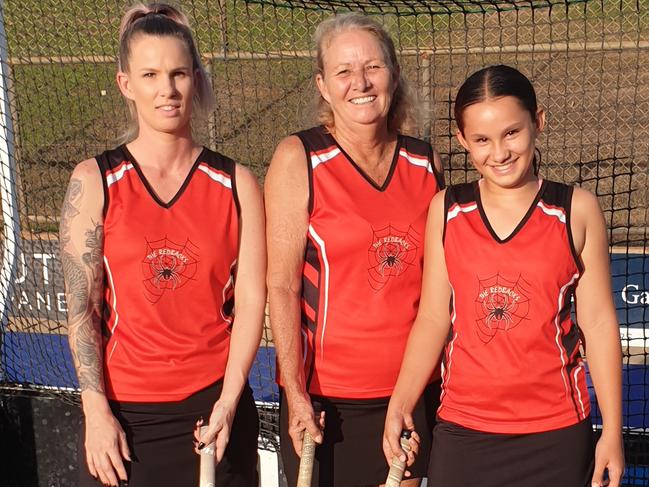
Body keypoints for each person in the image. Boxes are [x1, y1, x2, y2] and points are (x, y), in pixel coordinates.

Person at [383, 64, 625, 487]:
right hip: (464, 432)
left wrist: (612, 434)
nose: (499, 152)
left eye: (512, 133)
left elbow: (600, 324)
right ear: (462, 141)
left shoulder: (577, 210)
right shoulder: (447, 209)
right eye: (481, 140)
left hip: (557, 434)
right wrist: (400, 400)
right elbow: (433, 318)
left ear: (538, 122)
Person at [59, 3, 265, 486]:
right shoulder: (94, 180)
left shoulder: (237, 182)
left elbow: (254, 299)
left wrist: (230, 401)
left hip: (215, 410)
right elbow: (80, 309)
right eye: (149, 74)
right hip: (126, 421)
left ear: (195, 78)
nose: (166, 90)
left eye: (177, 74)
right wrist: (96, 414)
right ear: (126, 84)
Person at [265, 12, 445, 487]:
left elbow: (436, 289)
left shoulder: (425, 161)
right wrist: (297, 392)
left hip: (406, 396)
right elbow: (281, 285)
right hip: (327, 403)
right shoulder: (297, 157)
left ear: (394, 75)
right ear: (323, 85)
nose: (360, 83)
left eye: (373, 67)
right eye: (343, 71)